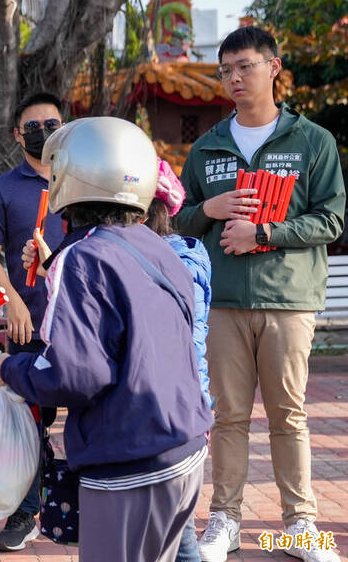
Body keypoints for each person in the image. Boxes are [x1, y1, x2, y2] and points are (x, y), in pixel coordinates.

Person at [0, 117, 213, 562]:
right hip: (185, 444)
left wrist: (8, 369)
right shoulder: (156, 244)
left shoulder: (82, 258)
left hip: (130, 455)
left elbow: (75, 374)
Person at [176, 26, 344, 562]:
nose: (233, 79)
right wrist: (211, 211)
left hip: (288, 299)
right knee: (227, 416)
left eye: (244, 66)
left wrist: (265, 234)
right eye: (225, 70)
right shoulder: (207, 147)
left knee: (288, 415)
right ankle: (224, 521)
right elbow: (177, 219)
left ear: (274, 67)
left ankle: (300, 525)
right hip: (222, 302)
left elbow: (332, 219)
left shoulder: (311, 141)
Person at [0, 92, 65, 551]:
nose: (44, 132)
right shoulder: (2, 189)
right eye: (33, 126)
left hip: (80, 322)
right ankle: (25, 511)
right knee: (27, 421)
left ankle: (87, 501)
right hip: (26, 323)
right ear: (18, 135)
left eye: (52, 123)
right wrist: (11, 300)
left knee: (94, 409)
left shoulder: (82, 179)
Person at [146, 160, 214, 562]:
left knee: (178, 532)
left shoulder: (179, 261)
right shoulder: (180, 254)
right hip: (179, 416)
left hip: (174, 418)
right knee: (173, 528)